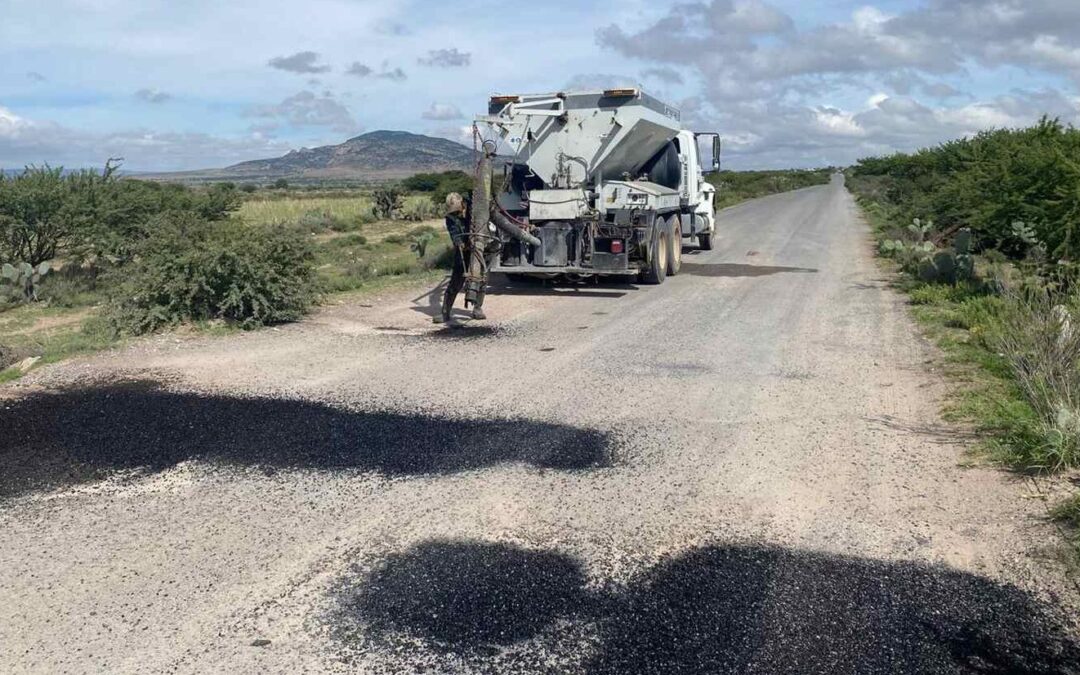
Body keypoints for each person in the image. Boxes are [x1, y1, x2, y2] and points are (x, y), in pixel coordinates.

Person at [435, 192, 487, 323]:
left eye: (458, 209)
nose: (457, 212)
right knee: (456, 281)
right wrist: (460, 243)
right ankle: (445, 312)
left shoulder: (473, 210)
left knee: (480, 279)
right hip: (462, 251)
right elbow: (454, 233)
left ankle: (477, 308)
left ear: (463, 203)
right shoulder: (450, 218)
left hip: (478, 249)